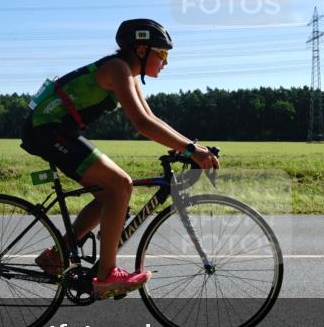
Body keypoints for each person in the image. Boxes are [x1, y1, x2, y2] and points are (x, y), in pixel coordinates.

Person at [20, 19, 220, 299]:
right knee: (121, 184)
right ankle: (106, 276)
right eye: (162, 53)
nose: (166, 62)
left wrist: (190, 146)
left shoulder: (127, 73)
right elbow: (142, 124)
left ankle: (57, 255)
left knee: (109, 195)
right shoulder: (117, 68)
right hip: (47, 129)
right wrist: (190, 151)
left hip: (55, 129)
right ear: (141, 50)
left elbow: (151, 118)